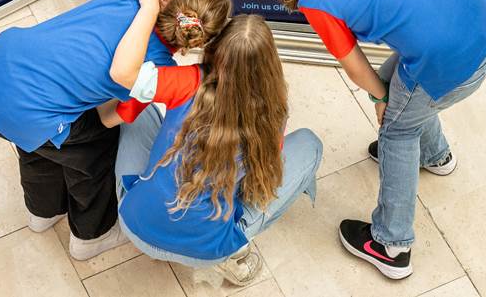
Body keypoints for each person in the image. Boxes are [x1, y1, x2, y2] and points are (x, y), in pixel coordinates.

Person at [260, 0, 486, 280]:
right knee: (403, 90)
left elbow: (354, 63)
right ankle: (437, 156)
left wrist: (379, 99)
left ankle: (392, 245)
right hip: (481, 24)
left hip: (448, 62)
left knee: (397, 127)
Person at [0, 0, 232, 261]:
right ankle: (91, 236)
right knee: (94, 146)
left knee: (42, 143)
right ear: (196, 43)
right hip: (23, 112)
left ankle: (42, 213)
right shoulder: (156, 73)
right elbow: (108, 117)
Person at [104, 14, 322, 285]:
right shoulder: (273, 114)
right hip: (205, 252)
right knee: (310, 145)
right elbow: (261, 181)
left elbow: (127, 78)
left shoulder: (188, 81)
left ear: (214, 49)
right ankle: (232, 255)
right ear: (270, 65)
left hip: (136, 226)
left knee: (137, 110)